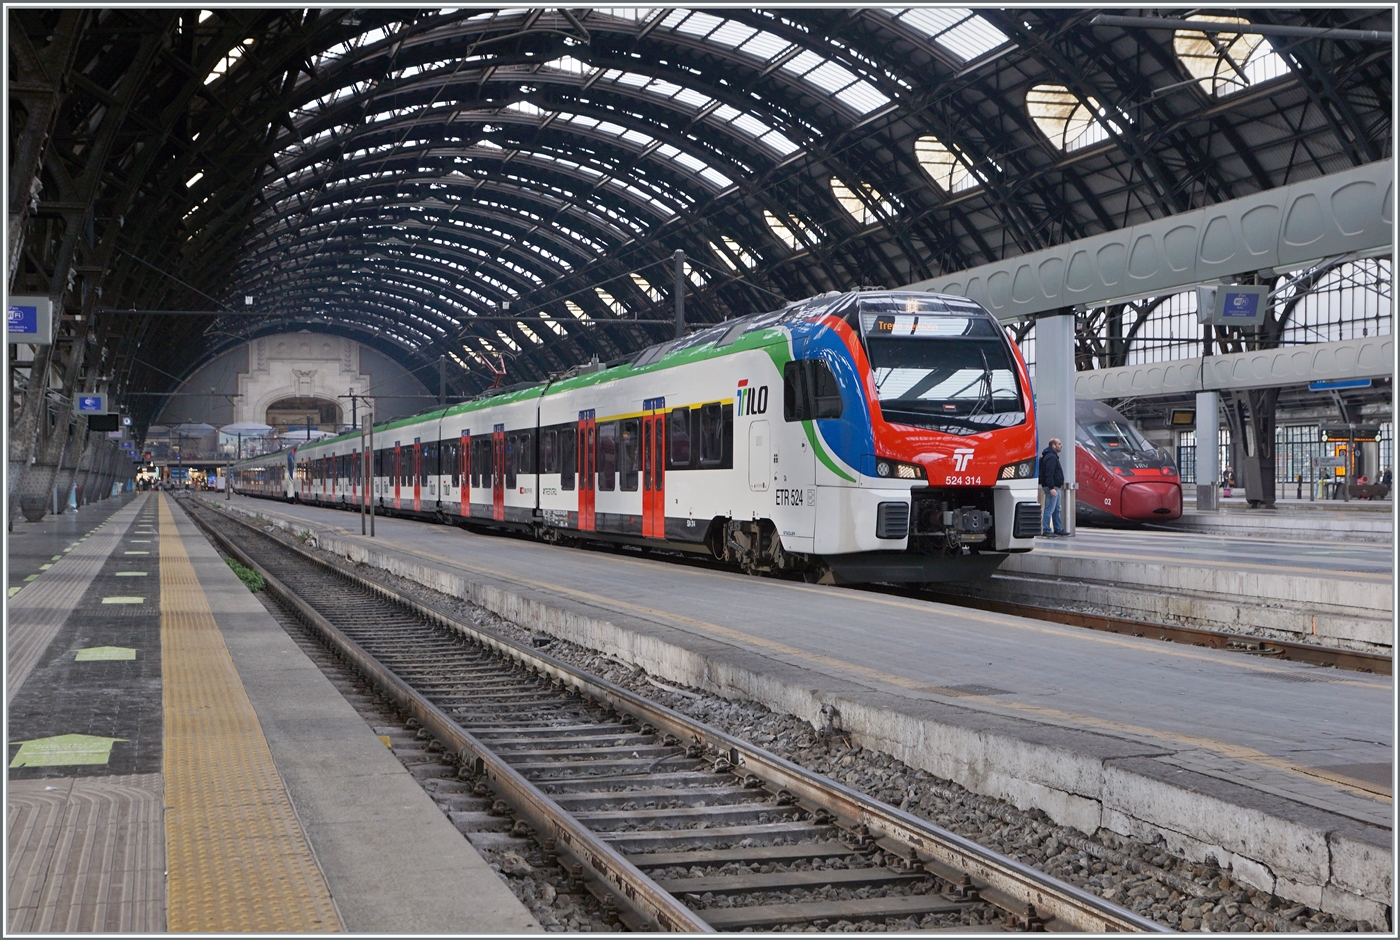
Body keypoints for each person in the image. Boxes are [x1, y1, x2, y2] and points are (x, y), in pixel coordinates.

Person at [1039, 437, 1066, 536]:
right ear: (1053, 445)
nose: (1061, 445)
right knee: (1049, 508)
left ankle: (1058, 528)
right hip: (1052, 487)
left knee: (1056, 509)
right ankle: (1046, 529)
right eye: (1059, 444)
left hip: (1055, 486)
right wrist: (1051, 488)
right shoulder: (1051, 457)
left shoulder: (1051, 456)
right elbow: (1049, 473)